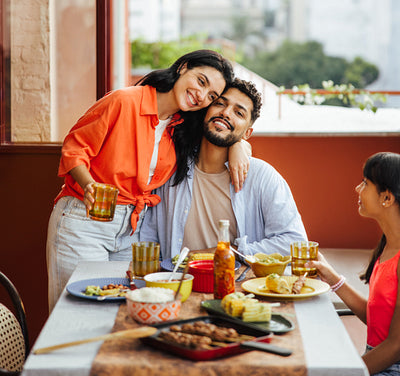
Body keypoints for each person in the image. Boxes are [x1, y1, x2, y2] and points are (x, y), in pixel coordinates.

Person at [46, 50, 250, 311]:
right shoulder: (124, 101)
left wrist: (240, 145)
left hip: (133, 230)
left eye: (211, 96)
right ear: (183, 67)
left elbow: (222, 130)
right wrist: (89, 185)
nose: (202, 96)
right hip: (85, 222)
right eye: (201, 81)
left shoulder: (181, 127)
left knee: (117, 312)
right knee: (77, 312)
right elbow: (75, 148)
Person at [140, 78, 307, 258]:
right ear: (206, 110)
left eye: (239, 113)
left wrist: (229, 252)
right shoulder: (170, 167)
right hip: (177, 282)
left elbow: (295, 242)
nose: (226, 113)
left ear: (247, 133)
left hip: (236, 283)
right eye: (220, 103)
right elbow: (149, 233)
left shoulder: (262, 177)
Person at [307, 152, 400, 376]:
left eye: (365, 183)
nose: (357, 189)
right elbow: (376, 319)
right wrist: (333, 278)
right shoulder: (387, 247)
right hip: (376, 359)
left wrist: (351, 371)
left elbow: (396, 346)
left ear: (386, 198)